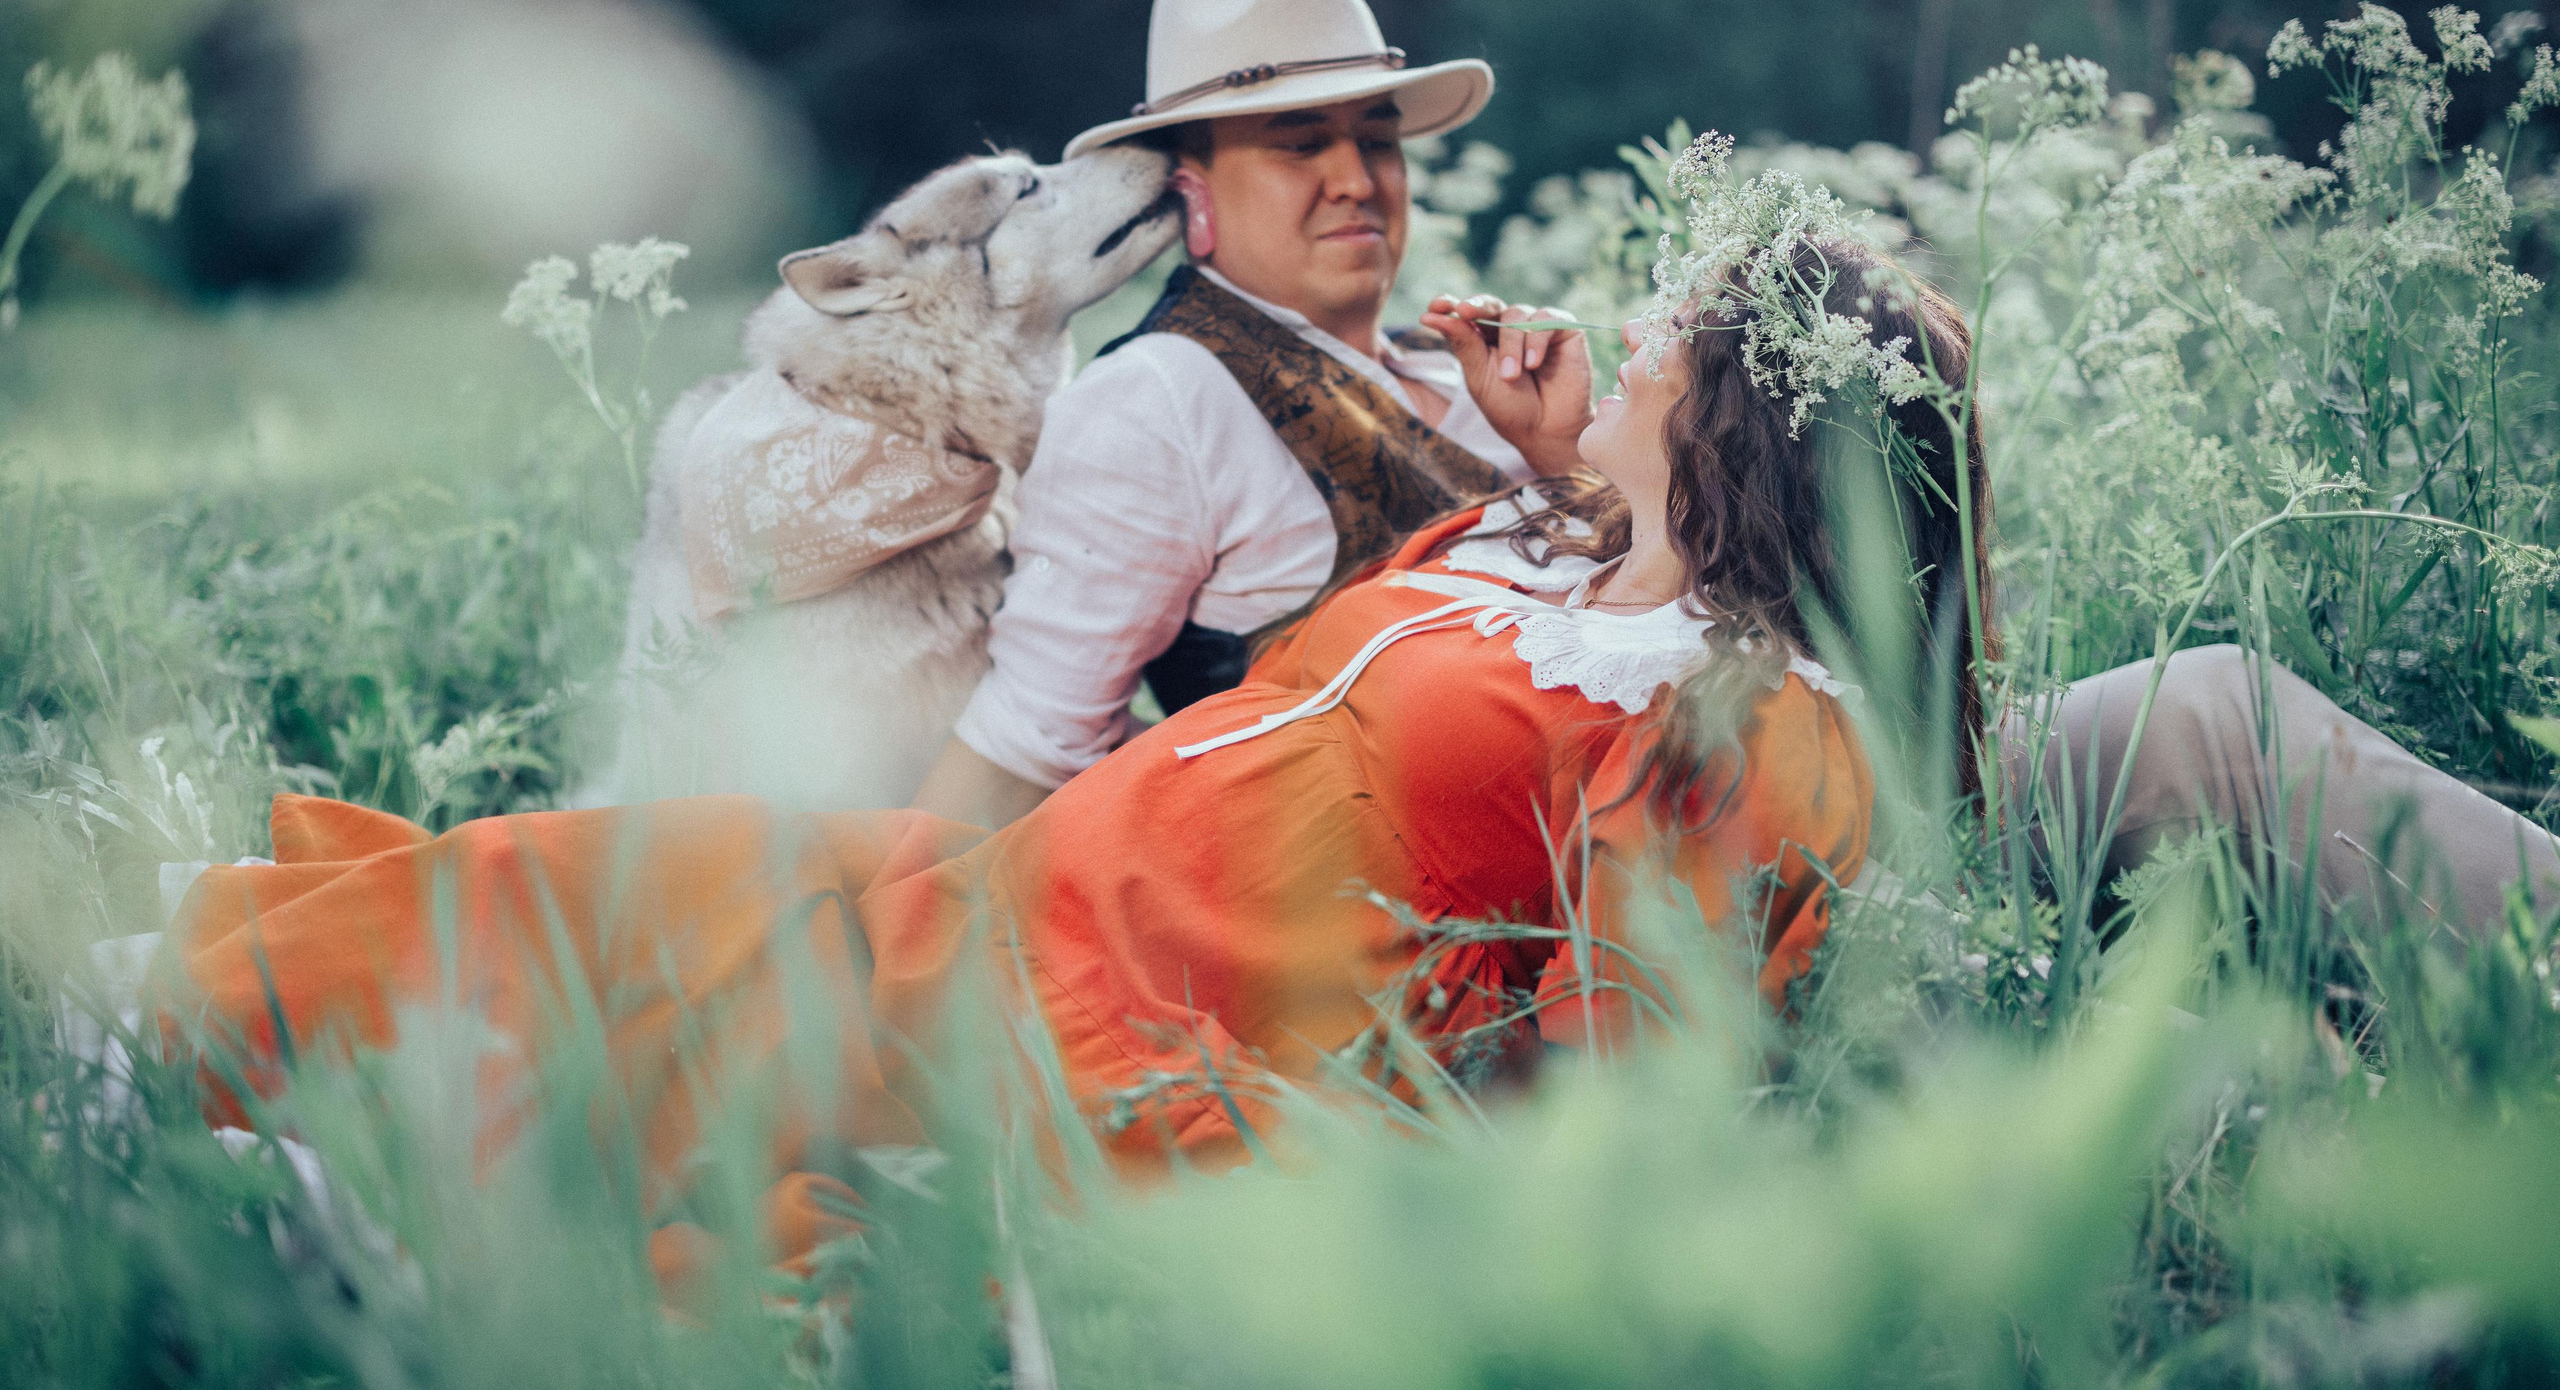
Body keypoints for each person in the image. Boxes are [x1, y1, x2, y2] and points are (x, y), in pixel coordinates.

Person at [153, 233, 1963, 1282]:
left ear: (1750, 411)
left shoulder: (1762, 722)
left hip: (1167, 1026)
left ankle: (300, 1146)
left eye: (1679, 327)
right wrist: (1549, 461)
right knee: (628, 881)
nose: (1635, 325)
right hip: (1044, 893)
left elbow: (1616, 1076)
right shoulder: (1562, 547)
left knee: (684, 1063)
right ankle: (185, 1041)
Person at [912, 0, 1575, 828]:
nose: (1356, 180)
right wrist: (908, 900)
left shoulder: (1476, 373)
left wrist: (1564, 455)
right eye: (1300, 145)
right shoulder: (1157, 400)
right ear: (1192, 194)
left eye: (1378, 141)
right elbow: (1031, 741)